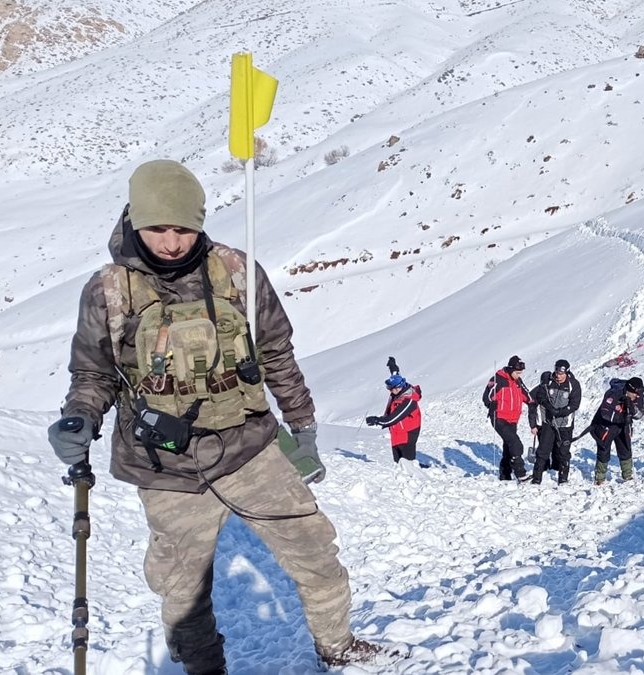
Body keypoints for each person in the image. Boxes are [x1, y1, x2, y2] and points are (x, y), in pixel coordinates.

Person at [45, 159, 382, 673]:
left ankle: (337, 647)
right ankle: (205, 668)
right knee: (183, 588)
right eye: (159, 228)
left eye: (184, 228)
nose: (173, 242)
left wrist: (303, 426)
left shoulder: (237, 271)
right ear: (136, 220)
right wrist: (80, 419)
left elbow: (277, 354)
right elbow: (94, 374)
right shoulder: (109, 290)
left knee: (315, 549)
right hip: (164, 464)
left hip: (249, 447)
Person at [527, 359, 582, 484]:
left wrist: (561, 411)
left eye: (561, 374)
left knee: (563, 452)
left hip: (565, 425)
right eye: (557, 372)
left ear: (567, 373)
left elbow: (574, 404)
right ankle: (536, 478)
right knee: (542, 451)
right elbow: (538, 396)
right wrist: (548, 407)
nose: (558, 376)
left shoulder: (574, 384)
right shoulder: (548, 382)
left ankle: (563, 479)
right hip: (549, 423)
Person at [365, 365, 423, 475]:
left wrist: (377, 420)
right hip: (397, 431)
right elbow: (396, 376)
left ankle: (421, 481)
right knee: (398, 463)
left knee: (408, 464)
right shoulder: (399, 389)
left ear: (400, 386)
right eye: (389, 388)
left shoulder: (409, 400)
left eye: (393, 388)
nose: (391, 391)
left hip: (408, 433)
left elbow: (394, 418)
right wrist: (393, 367)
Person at [483, 355, 533, 480]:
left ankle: (505, 475)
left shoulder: (518, 381)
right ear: (511, 369)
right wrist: (492, 402)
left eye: (521, 372)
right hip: (499, 417)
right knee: (516, 444)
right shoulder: (498, 379)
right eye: (517, 372)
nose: (519, 375)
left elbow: (526, 395)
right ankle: (520, 474)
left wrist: (533, 402)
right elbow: (486, 397)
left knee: (508, 447)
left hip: (513, 419)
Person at [590, 376, 644, 485]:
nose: (637, 396)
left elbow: (640, 415)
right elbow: (605, 412)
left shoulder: (638, 396)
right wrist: (621, 417)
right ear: (628, 390)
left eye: (638, 393)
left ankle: (627, 475)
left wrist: (632, 408)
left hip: (624, 426)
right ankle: (600, 478)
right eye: (634, 393)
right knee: (604, 450)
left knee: (625, 449)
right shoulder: (613, 393)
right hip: (606, 425)